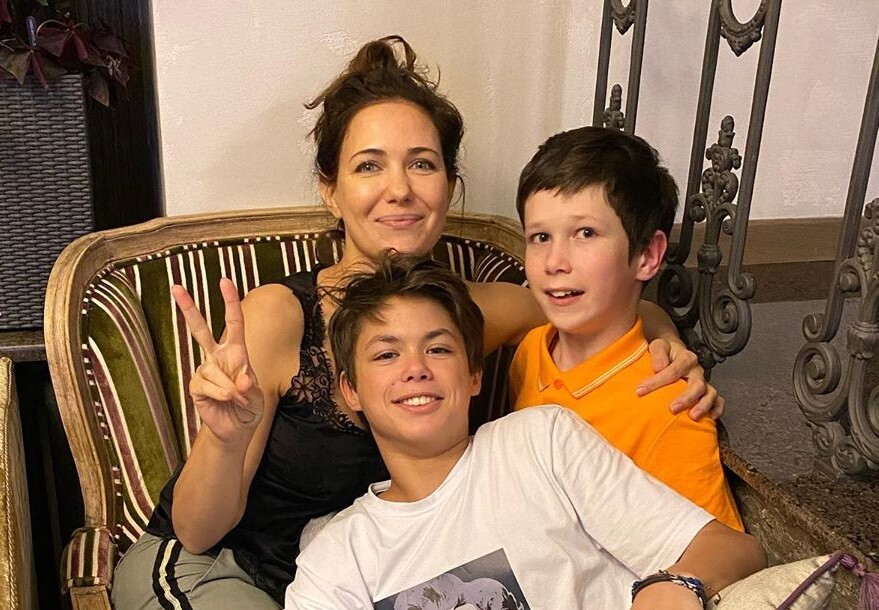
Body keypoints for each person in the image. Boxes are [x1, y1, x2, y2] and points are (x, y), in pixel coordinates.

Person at [112, 36, 717, 609]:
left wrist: (664, 339)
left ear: (449, 187)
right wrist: (223, 438)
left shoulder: (470, 312)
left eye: (422, 164)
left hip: (361, 587)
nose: (399, 189)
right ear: (330, 190)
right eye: (369, 166)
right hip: (217, 569)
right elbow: (197, 531)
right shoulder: (279, 316)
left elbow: (601, 299)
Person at [285, 253, 765, 609]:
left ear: (474, 374)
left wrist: (677, 586)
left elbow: (733, 550)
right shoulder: (336, 560)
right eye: (387, 354)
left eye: (438, 349)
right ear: (351, 391)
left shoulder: (541, 441)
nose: (416, 369)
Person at [509, 126, 743, 530]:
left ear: (647, 255)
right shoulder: (531, 350)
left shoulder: (672, 411)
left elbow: (719, 555)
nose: (554, 262)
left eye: (585, 233)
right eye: (540, 236)